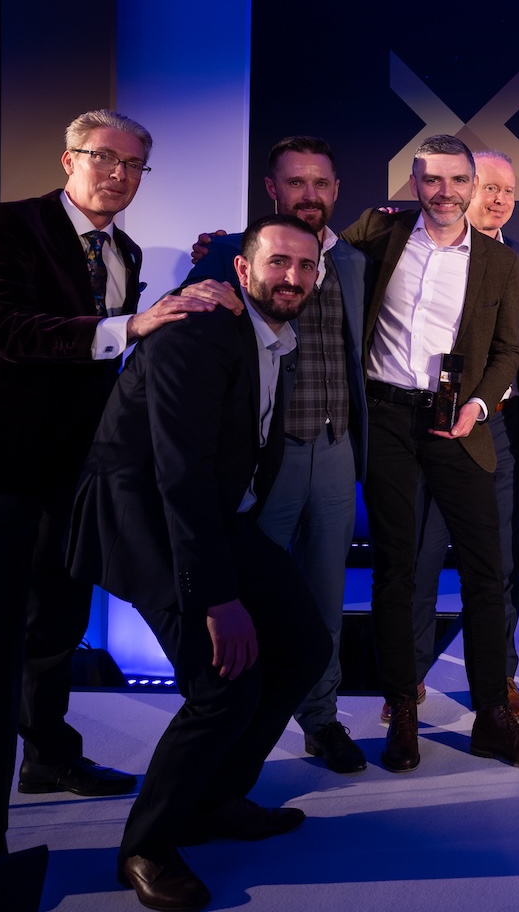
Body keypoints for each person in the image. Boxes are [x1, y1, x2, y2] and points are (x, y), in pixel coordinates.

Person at [0, 109, 228, 867]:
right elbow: (9, 332)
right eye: (104, 157)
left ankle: (49, 756)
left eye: (134, 164)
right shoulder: (4, 226)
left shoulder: (125, 251)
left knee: (59, 630)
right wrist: (129, 327)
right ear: (68, 158)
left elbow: (117, 371)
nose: (118, 173)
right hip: (1, 470)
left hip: (80, 476)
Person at [67, 214, 333, 910]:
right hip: (146, 517)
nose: (293, 278)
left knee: (302, 647)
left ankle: (216, 800)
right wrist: (217, 598)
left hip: (215, 514)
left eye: (306, 268)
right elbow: (178, 475)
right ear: (241, 273)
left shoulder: (272, 334)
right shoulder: (198, 327)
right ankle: (146, 847)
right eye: (278, 263)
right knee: (224, 686)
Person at [343, 134, 519, 773]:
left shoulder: (498, 261)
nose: (445, 192)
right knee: (397, 571)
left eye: (457, 181)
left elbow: (510, 353)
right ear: (414, 180)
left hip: (460, 422)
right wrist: (216, 255)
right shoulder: (378, 234)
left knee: (488, 572)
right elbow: (302, 243)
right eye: (431, 180)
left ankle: (492, 715)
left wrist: (480, 405)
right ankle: (402, 709)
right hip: (387, 419)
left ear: (472, 185)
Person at [186, 136, 370, 775]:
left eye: (321, 184)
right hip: (267, 458)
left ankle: (320, 720)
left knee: (324, 599)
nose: (310, 195)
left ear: (337, 190)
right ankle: (241, 725)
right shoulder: (227, 256)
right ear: (272, 189)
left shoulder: (351, 260)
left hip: (337, 447)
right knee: (254, 599)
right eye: (296, 183)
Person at [405, 150, 519, 722]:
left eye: (508, 191)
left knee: (500, 561)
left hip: (500, 429)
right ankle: (407, 681)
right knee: (419, 556)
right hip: (427, 424)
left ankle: (500, 676)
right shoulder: (416, 247)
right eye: (487, 187)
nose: (499, 200)